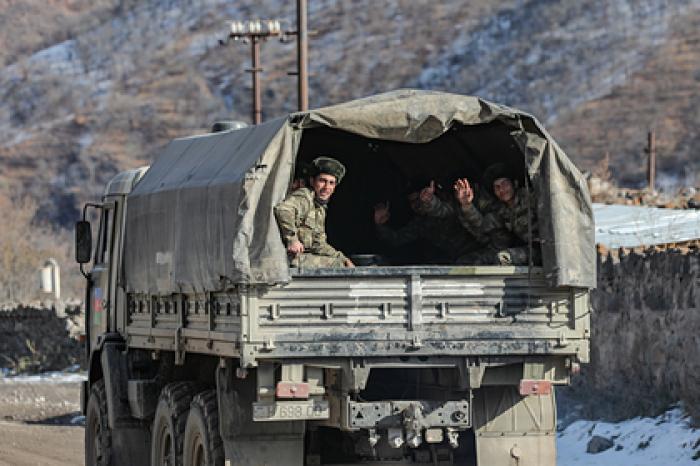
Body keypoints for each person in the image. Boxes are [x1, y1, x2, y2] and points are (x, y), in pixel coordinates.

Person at [274, 157, 354, 268]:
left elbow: (318, 244)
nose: (327, 187)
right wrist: (292, 239)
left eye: (331, 183)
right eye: (322, 181)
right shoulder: (304, 196)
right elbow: (283, 210)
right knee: (338, 266)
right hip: (285, 259)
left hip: (299, 259)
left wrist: (341, 257)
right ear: (312, 181)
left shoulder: (319, 208)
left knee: (342, 263)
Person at [373, 182, 480, 264]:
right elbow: (397, 239)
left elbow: (447, 212)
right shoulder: (420, 223)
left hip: (476, 257)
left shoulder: (450, 206)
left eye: (419, 199)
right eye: (412, 202)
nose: (416, 205)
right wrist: (380, 224)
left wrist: (431, 203)